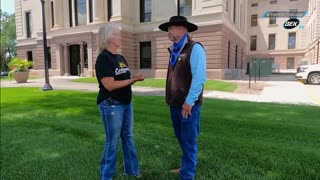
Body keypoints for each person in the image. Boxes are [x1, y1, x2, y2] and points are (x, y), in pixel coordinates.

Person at [158, 16, 206, 180]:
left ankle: (187, 175)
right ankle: (185, 167)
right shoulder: (175, 49)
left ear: (179, 28)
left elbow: (199, 78)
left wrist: (189, 102)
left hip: (188, 106)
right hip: (175, 104)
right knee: (182, 139)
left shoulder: (195, 48)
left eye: (169, 29)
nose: (168, 33)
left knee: (189, 141)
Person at [95, 22, 144, 180]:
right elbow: (109, 85)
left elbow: (123, 77)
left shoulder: (120, 58)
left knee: (128, 137)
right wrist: (132, 81)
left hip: (125, 103)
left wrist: (134, 78)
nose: (120, 36)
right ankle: (106, 176)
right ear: (108, 37)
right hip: (111, 104)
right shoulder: (103, 59)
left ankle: (132, 170)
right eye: (117, 34)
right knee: (112, 141)